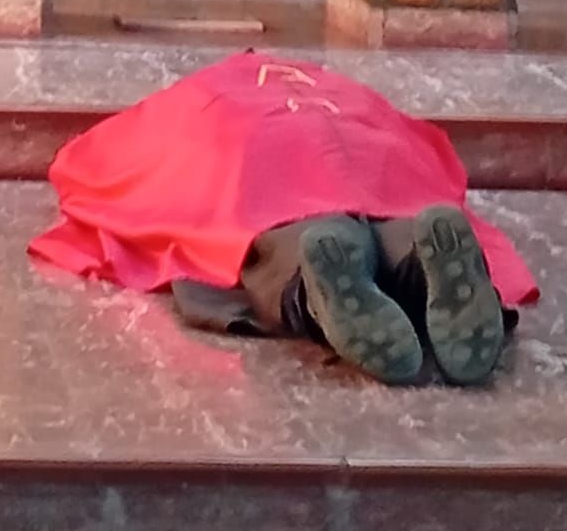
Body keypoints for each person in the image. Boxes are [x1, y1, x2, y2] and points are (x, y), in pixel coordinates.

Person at [29, 50, 538, 386]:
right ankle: (417, 259)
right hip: (362, 148)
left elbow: (116, 156)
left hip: (258, 153)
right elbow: (419, 140)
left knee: (276, 234)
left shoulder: (204, 94)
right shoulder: (340, 89)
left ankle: (314, 284)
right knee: (397, 210)